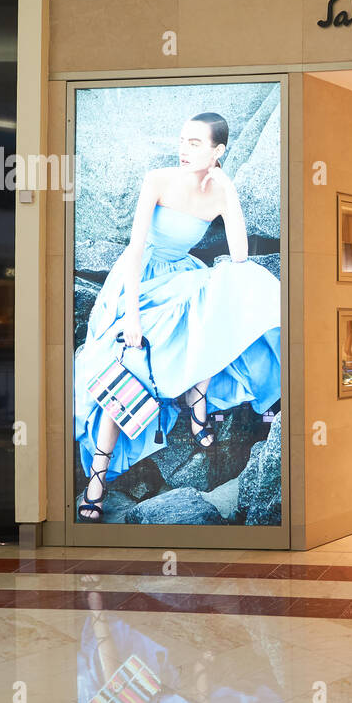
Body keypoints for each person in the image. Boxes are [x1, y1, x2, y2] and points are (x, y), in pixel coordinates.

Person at [72, 113, 281, 521]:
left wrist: (228, 191)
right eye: (183, 141)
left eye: (196, 143)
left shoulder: (221, 187)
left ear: (219, 151)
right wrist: (131, 315)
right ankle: (96, 481)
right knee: (129, 361)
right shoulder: (158, 179)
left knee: (237, 283)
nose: (184, 150)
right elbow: (134, 251)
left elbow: (238, 257)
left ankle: (196, 392)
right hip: (136, 281)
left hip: (180, 275)